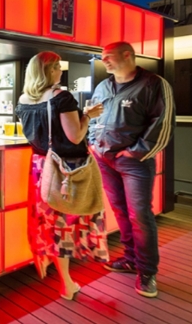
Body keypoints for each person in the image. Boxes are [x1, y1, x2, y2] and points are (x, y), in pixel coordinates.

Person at [15, 51, 108, 300]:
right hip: (66, 171)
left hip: (40, 170)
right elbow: (75, 136)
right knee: (65, 227)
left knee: (50, 224)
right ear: (49, 71)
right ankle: (66, 283)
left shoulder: (23, 101)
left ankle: (63, 277)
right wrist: (87, 115)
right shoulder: (61, 98)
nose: (60, 71)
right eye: (57, 67)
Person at [88, 41, 174, 298]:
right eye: (103, 58)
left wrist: (134, 152)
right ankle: (130, 259)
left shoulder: (154, 84)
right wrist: (94, 144)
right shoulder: (103, 86)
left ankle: (147, 272)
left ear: (128, 55)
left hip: (134, 163)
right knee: (120, 212)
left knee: (140, 215)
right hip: (105, 160)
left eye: (108, 57)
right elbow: (94, 117)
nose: (105, 62)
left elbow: (162, 124)